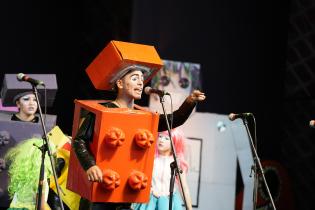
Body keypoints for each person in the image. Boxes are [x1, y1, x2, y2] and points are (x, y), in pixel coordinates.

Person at [73, 67, 205, 209]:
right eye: (135, 78)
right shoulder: (102, 111)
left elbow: (173, 120)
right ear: (120, 83)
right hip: (99, 190)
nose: (141, 83)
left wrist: (189, 102)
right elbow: (79, 140)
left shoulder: (143, 117)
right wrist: (90, 165)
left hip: (125, 193)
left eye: (142, 80)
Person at [132, 128, 192, 210]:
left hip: (170, 201)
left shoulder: (177, 163)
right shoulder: (150, 160)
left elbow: (183, 187)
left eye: (166, 138)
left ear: (174, 143)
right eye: (160, 136)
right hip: (151, 201)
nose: (161, 140)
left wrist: (189, 208)